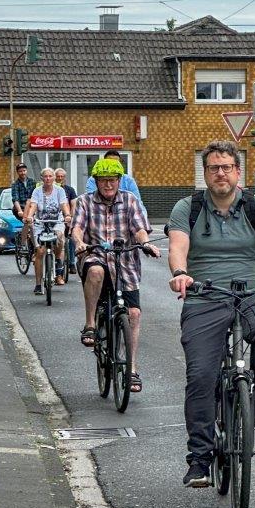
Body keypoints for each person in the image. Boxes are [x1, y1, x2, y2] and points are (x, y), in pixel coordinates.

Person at [167, 140, 255, 488]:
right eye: (213, 168)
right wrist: (180, 273)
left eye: (227, 167)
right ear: (205, 173)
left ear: (238, 172)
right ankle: (200, 458)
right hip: (204, 296)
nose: (220, 173)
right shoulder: (187, 208)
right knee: (201, 376)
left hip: (251, 293)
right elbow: (178, 247)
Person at [72, 157, 161, 393]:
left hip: (125, 261)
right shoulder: (84, 202)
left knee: (133, 313)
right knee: (96, 271)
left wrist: (146, 244)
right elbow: (77, 228)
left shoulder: (130, 201)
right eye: (103, 181)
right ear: (96, 182)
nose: (108, 185)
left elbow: (140, 229)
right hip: (96, 255)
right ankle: (90, 323)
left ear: (119, 181)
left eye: (112, 180)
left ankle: (131, 369)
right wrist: (80, 243)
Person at [24, 168, 72, 294]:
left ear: (54, 178)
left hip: (56, 221)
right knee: (40, 251)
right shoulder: (37, 191)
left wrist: (67, 215)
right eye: (45, 176)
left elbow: (63, 204)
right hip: (41, 222)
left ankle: (58, 260)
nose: (48, 179)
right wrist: (29, 216)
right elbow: (33, 205)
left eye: (50, 176)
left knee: (60, 236)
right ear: (42, 178)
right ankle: (38, 284)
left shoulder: (60, 191)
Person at [85, 149, 150, 230]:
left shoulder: (128, 180)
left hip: (124, 219)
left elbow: (138, 203)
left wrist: (142, 225)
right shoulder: (92, 180)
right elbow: (91, 202)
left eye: (116, 163)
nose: (108, 184)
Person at [55, 168, 78, 274]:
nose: (60, 178)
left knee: (72, 238)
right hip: (55, 218)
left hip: (67, 217)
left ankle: (72, 263)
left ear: (65, 177)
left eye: (62, 176)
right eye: (58, 176)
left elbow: (73, 205)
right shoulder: (53, 189)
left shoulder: (70, 190)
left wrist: (71, 218)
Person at [11, 163, 36, 250]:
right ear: (17, 172)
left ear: (27, 171)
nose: (23, 173)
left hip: (31, 207)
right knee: (28, 222)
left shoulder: (32, 182)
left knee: (35, 225)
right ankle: (23, 243)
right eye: (20, 171)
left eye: (24, 170)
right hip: (21, 207)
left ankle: (34, 244)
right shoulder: (15, 184)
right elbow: (15, 199)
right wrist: (19, 211)